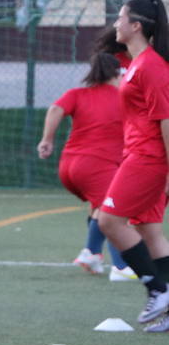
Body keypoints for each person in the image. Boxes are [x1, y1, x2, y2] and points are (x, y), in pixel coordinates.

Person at [94, 0, 169, 330]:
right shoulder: (138, 62)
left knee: (108, 221)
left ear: (136, 25)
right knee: (149, 231)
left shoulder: (151, 66)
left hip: (147, 158)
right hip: (139, 154)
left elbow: (166, 120)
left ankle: (158, 289)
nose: (115, 23)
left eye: (120, 18)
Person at [37, 50, 126, 275]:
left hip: (68, 167)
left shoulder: (78, 93)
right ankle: (121, 267)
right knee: (115, 211)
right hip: (97, 166)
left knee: (100, 207)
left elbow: (56, 109)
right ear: (117, 73)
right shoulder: (123, 97)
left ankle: (92, 253)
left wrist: (47, 140)